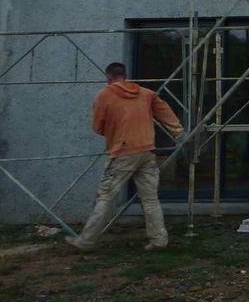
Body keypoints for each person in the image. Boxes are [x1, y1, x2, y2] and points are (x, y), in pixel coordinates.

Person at [66, 62, 184, 251]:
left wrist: (112, 133)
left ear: (108, 76)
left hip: (123, 152)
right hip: (147, 151)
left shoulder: (104, 95)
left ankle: (86, 241)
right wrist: (177, 129)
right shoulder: (145, 93)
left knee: (106, 196)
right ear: (125, 75)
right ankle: (159, 240)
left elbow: (97, 126)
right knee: (150, 198)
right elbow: (164, 109)